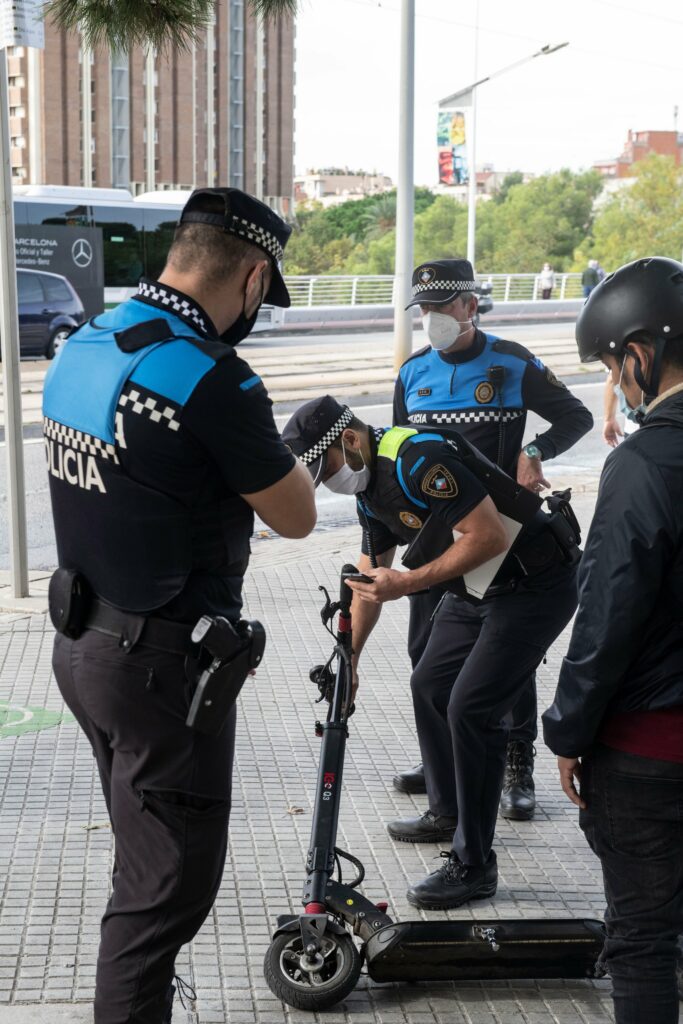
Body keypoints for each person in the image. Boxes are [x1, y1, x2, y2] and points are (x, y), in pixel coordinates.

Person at [42, 187, 317, 1024]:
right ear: (254, 276)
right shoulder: (208, 375)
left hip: (83, 647)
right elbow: (298, 515)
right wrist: (288, 448)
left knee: (143, 868)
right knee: (165, 895)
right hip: (163, 672)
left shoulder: (83, 344)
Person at [283, 396, 580, 910]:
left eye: (325, 467)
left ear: (350, 440)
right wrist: (349, 660)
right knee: (429, 683)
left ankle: (474, 864)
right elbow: (367, 580)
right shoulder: (368, 493)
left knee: (472, 707)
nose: (327, 482)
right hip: (480, 585)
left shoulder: (415, 458)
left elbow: (485, 535)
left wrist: (409, 583)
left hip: (536, 582)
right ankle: (446, 811)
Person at [392, 259, 593, 820]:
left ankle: (515, 764)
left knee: (505, 660)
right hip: (437, 536)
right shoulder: (411, 374)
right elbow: (400, 453)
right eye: (424, 309)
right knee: (425, 656)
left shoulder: (511, 361)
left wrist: (534, 453)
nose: (432, 318)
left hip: (500, 539)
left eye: (442, 307)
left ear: (470, 306)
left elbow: (573, 416)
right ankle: (443, 768)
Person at [543, 256, 683, 1024]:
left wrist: (567, 730)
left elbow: (607, 614)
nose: (617, 382)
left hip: (648, 751)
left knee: (641, 941)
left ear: (639, 351)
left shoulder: (643, 464)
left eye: (611, 364)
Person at [602, 373, 639, 447]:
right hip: (667, 425)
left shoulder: (625, 361)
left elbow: (613, 377)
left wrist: (609, 419)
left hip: (635, 429)